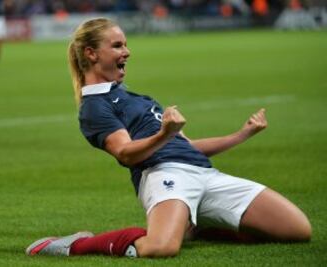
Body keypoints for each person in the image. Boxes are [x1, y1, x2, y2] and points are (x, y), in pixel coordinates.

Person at [26, 18, 311, 258]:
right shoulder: (94, 107)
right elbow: (125, 152)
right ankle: (76, 244)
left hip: (205, 173)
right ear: (91, 54)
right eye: (117, 46)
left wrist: (241, 134)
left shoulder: (137, 98)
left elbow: (186, 146)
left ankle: (197, 225)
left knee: (298, 230)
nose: (127, 52)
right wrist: (165, 133)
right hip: (163, 174)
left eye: (125, 44)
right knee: (160, 247)